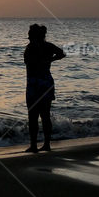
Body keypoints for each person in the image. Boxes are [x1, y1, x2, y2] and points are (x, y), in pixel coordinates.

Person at [23, 24, 65, 153]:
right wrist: (50, 60)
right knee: (45, 115)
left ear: (34, 35)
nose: (28, 36)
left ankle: (34, 145)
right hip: (46, 82)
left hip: (34, 84)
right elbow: (62, 53)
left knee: (33, 115)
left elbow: (28, 63)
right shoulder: (48, 46)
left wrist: (47, 61)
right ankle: (46, 144)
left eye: (30, 34)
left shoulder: (30, 48)